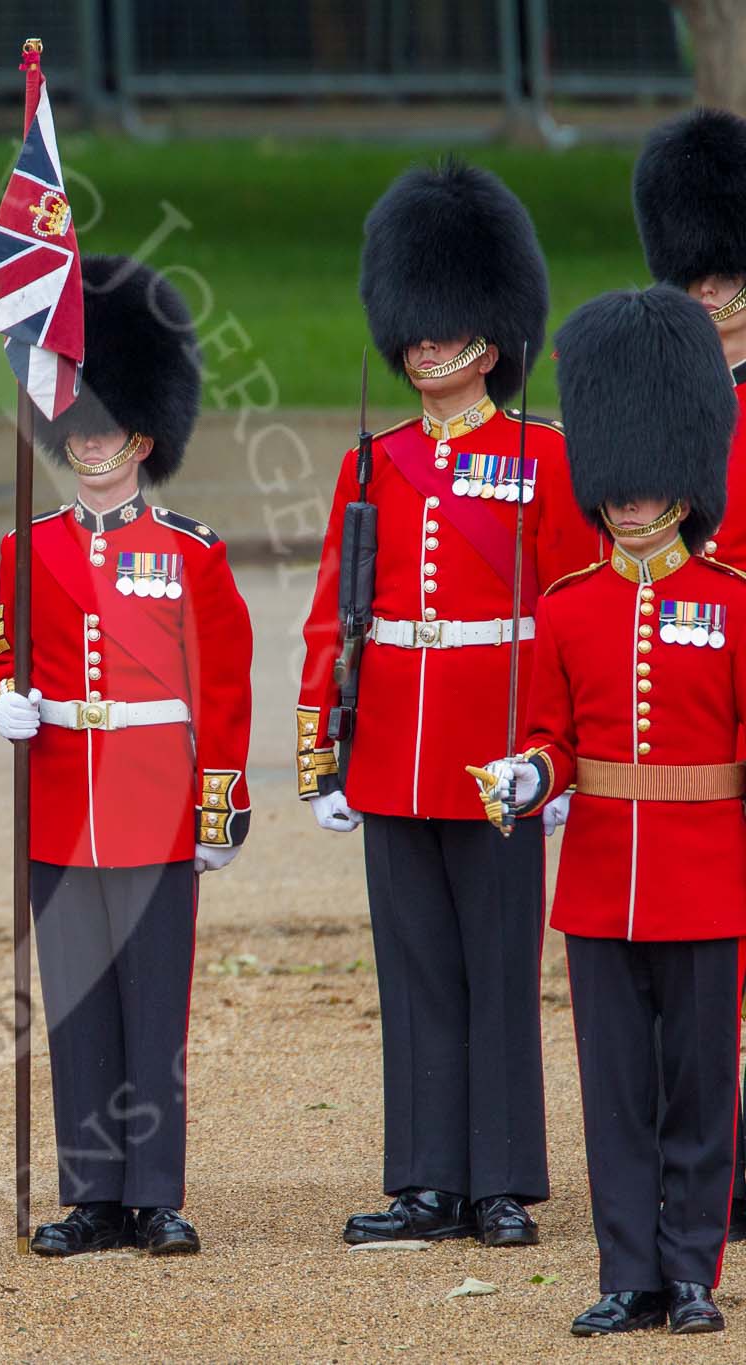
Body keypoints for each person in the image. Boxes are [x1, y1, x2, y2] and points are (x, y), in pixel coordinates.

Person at [295, 159, 597, 1248]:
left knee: (497, 969)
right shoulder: (368, 465)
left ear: (490, 333)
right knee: (413, 969)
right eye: (413, 329)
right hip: (389, 747)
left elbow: (569, 614)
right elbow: (332, 620)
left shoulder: (541, 458)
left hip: (496, 751)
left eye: (446, 327)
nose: (425, 347)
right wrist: (322, 759)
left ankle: (499, 1179)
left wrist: (557, 755)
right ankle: (424, 1177)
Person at [474, 285, 740, 1337]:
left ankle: (689, 1271)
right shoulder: (566, 607)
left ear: (678, 483)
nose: (625, 504)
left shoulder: (729, 604)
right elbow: (553, 737)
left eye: (641, 489)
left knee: (696, 1089)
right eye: (613, 491)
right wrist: (526, 779)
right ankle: (626, 1270)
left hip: (705, 873)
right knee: (614, 1092)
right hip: (597, 882)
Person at [0, 256, 253, 1257]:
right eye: (78, 431)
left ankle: (154, 1192)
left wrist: (218, 806)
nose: (90, 446)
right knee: (77, 1008)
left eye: (109, 431)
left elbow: (221, 690)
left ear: (143, 438)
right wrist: (2, 700)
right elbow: (3, 650)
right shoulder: (28, 546)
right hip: (59, 797)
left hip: (153, 802)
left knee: (152, 1006)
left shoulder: (189, 551)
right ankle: (89, 1194)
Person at [634, 107, 746, 1240]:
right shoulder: (661, 399)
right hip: (682, 689)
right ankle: (702, 1158)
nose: (707, 291)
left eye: (724, 273)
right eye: (694, 275)